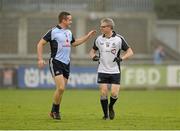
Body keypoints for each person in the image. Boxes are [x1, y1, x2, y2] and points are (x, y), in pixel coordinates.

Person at [37, 11, 96, 120]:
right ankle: (56, 111)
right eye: (69, 19)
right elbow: (40, 44)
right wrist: (40, 59)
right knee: (61, 87)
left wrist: (87, 36)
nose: (71, 21)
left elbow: (74, 43)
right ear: (63, 20)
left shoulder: (68, 32)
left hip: (66, 63)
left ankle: (53, 111)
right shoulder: (53, 32)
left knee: (62, 90)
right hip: (56, 62)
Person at [89, 18, 133, 120]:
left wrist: (122, 58)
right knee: (103, 93)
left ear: (110, 27)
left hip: (115, 71)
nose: (101, 28)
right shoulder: (99, 39)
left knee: (114, 93)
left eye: (103, 26)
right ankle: (105, 115)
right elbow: (91, 52)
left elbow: (130, 52)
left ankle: (111, 106)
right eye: (101, 26)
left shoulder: (119, 39)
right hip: (102, 70)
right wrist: (93, 57)